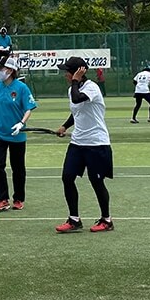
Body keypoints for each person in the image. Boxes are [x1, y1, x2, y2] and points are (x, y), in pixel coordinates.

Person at [54, 56, 114, 233]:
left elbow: (78, 99)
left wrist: (75, 81)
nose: (66, 74)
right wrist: (65, 126)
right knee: (67, 177)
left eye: (68, 71)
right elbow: (77, 112)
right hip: (77, 142)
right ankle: (74, 219)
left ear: (79, 72)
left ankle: (106, 220)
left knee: (96, 181)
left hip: (97, 143)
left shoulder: (92, 87)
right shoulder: (72, 89)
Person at [0, 56, 37, 212]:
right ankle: (2, 199)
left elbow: (28, 108)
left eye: (1, 68)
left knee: (18, 168)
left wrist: (21, 123)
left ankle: (18, 198)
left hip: (17, 134)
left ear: (10, 70)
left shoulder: (21, 88)